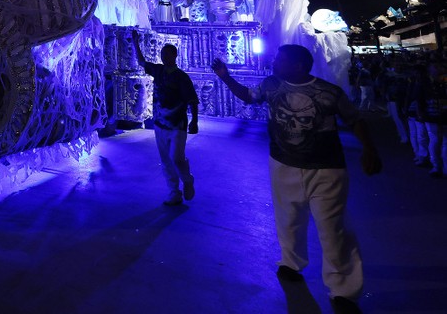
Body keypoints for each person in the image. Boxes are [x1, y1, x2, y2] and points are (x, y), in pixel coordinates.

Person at [211, 45, 381, 314]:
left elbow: (355, 120)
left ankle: (344, 290)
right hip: (283, 164)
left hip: (326, 169)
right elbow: (248, 96)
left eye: (281, 59)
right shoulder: (271, 85)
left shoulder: (328, 92)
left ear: (299, 65)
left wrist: (370, 149)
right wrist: (224, 75)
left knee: (332, 229)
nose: (274, 62)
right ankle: (291, 263)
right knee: (287, 219)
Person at [132, 33, 199, 206]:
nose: (164, 57)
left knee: (176, 157)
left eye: (168, 55)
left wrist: (195, 121)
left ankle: (187, 179)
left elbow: (192, 100)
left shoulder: (182, 77)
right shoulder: (158, 71)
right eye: (163, 55)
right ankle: (174, 192)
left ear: (174, 56)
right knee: (166, 160)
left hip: (178, 124)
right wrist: (135, 43)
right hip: (160, 123)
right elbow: (142, 62)